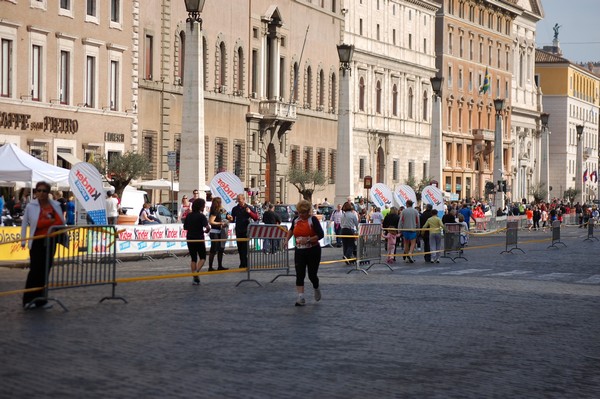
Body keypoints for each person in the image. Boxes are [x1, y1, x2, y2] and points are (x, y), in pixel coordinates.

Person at [20, 181, 66, 310]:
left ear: (48, 193)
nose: (41, 193)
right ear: (35, 192)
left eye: (44, 191)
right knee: (35, 270)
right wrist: (23, 240)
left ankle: (41, 300)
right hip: (37, 242)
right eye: (38, 190)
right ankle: (28, 300)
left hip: (51, 242)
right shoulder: (31, 206)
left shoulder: (55, 205)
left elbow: (61, 222)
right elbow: (24, 224)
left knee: (46, 270)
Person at [285, 199, 324, 306]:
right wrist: (286, 240)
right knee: (299, 274)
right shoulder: (296, 220)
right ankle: (301, 297)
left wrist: (308, 240)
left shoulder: (313, 220)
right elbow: (291, 230)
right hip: (300, 251)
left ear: (308, 212)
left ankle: (316, 287)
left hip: (313, 250)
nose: (301, 215)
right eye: (299, 213)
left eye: (303, 213)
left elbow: (321, 235)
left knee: (312, 275)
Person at [183, 198, 210, 285]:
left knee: (193, 258)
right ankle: (196, 272)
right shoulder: (202, 216)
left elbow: (185, 227)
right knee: (203, 257)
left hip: (190, 238)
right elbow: (207, 227)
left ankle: (195, 278)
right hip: (199, 238)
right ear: (201, 207)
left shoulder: (189, 215)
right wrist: (206, 231)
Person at [231, 194, 258, 268]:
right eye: (238, 200)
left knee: (245, 248)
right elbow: (232, 219)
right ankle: (242, 263)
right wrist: (229, 218)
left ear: (243, 199)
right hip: (238, 230)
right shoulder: (235, 209)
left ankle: (245, 263)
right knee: (240, 248)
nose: (239, 201)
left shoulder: (248, 207)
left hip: (246, 230)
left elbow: (256, 217)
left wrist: (249, 212)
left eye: (240, 199)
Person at [208, 197, 232, 271]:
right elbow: (211, 221)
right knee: (213, 249)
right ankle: (210, 267)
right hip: (215, 231)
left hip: (221, 231)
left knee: (221, 249)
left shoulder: (222, 210)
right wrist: (220, 223)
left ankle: (220, 266)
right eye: (219, 202)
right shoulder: (215, 211)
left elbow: (229, 217)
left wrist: (230, 217)